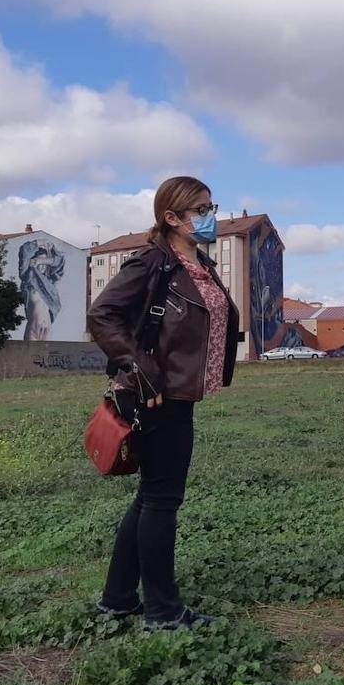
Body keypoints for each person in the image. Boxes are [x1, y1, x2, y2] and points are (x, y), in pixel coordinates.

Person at [87, 176, 241, 630]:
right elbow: (102, 314)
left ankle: (118, 599)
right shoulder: (155, 262)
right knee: (162, 500)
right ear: (171, 218)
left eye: (213, 205)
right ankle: (163, 611)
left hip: (177, 393)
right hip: (157, 396)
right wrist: (137, 367)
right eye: (200, 209)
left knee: (151, 497)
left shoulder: (199, 263)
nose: (211, 215)